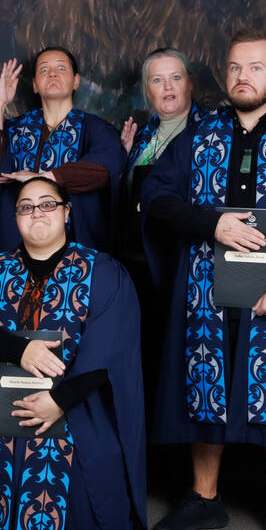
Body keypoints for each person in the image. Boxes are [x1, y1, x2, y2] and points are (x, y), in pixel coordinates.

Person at [141, 31, 266, 530]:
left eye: (255, 67)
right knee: (206, 382)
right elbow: (156, 196)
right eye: (233, 67)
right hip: (207, 285)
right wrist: (212, 223)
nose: (242, 76)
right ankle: (205, 497)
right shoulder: (199, 135)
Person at [0, 176, 150, 530]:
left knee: (74, 473)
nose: (37, 213)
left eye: (47, 204)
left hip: (77, 403)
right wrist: (20, 350)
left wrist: (57, 402)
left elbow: (106, 352)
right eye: (26, 206)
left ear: (67, 211)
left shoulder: (102, 271)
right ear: (15, 218)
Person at [114, 47, 208, 398]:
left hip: (180, 264)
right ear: (146, 90)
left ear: (190, 84)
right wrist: (122, 164)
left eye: (176, 78)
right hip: (137, 267)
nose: (167, 87)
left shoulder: (210, 134)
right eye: (157, 79)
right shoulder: (141, 138)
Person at [0, 48, 126, 253]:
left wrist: (40, 178)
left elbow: (103, 170)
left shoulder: (97, 129)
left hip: (75, 249)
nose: (52, 73)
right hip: (16, 246)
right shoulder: (14, 129)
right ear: (35, 86)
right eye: (44, 69)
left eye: (61, 68)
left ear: (76, 81)